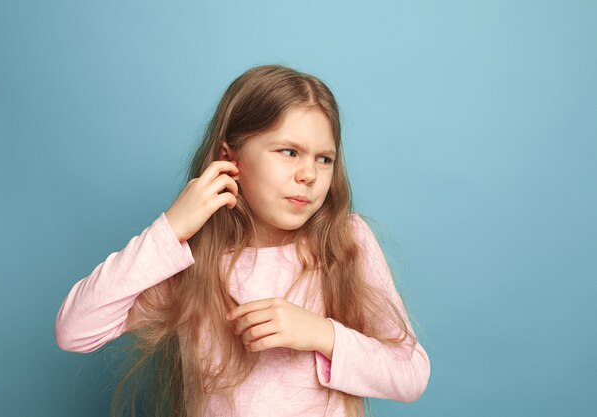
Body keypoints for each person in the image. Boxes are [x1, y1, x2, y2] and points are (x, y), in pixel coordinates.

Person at [54, 64, 430, 417]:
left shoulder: (346, 242)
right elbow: (75, 331)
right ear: (228, 158)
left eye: (324, 159)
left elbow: (411, 374)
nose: (308, 175)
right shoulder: (194, 259)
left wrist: (321, 334)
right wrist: (169, 229)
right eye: (289, 151)